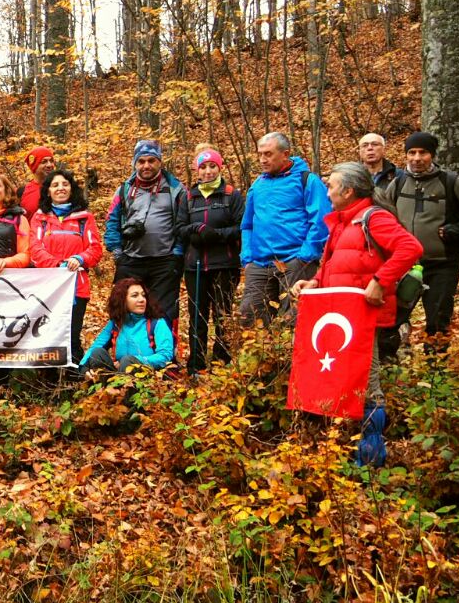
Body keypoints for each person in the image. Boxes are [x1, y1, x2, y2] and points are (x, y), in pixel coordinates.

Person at [293, 162, 424, 467]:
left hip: (365, 317)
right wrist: (314, 282)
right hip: (342, 317)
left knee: (368, 383)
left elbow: (410, 247)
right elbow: (334, 263)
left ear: (348, 191)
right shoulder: (341, 221)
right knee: (346, 380)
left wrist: (380, 281)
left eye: (331, 186)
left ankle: (371, 457)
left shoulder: (373, 219)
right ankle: (342, 446)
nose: (327, 192)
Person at [375, 131, 459, 354]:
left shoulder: (449, 182)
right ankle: (389, 368)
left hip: (442, 264)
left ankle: (435, 375)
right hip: (404, 265)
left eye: (423, 153)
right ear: (406, 155)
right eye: (412, 152)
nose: (417, 158)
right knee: (391, 319)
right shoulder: (399, 182)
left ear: (433, 155)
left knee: (438, 320)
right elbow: (382, 211)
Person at [238, 132, 331, 327]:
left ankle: (291, 359)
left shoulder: (307, 180)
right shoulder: (258, 185)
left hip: (294, 262)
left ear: (285, 154)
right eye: (260, 154)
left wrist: (305, 256)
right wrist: (247, 258)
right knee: (251, 318)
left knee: (294, 321)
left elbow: (321, 220)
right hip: (260, 264)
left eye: (268, 154)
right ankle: (263, 358)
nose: (262, 159)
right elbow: (247, 224)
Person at [104, 139, 190, 329]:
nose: (146, 166)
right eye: (141, 161)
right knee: (124, 310)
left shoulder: (176, 189)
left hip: (165, 261)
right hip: (131, 260)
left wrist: (177, 253)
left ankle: (164, 355)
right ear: (135, 163)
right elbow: (111, 221)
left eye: (151, 160)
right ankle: (127, 353)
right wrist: (117, 252)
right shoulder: (124, 190)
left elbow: (184, 222)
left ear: (160, 162)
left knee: (164, 312)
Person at [28, 170, 102, 365]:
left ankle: (75, 380)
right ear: (48, 191)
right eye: (55, 185)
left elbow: (95, 249)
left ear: (72, 188)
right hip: (46, 288)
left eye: (65, 184)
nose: (61, 188)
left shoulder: (84, 218)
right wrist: (57, 265)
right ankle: (49, 381)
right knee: (46, 335)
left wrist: (80, 258)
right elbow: (35, 249)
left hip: (77, 288)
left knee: (71, 335)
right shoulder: (39, 218)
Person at [180, 148, 244, 374]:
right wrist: (196, 229)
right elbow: (179, 228)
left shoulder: (230, 195)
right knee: (197, 314)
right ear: (197, 170)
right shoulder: (188, 197)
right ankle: (195, 363)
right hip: (194, 264)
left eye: (212, 166)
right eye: (203, 167)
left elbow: (240, 228)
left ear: (220, 167)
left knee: (222, 314)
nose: (207, 171)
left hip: (224, 264)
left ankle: (221, 362)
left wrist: (216, 235)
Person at [80, 278, 176, 375]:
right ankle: (103, 388)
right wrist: (83, 368)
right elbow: (97, 345)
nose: (141, 299)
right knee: (97, 353)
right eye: (135, 296)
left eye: (143, 295)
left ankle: (123, 388)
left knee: (128, 361)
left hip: (148, 375)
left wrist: (135, 360)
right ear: (122, 300)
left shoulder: (157, 322)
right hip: (117, 374)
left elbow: (165, 355)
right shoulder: (115, 323)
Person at [20, 146, 58, 216]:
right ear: (34, 166)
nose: (49, 165)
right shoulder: (22, 192)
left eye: (51, 161)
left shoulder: (61, 188)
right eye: (44, 162)